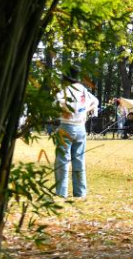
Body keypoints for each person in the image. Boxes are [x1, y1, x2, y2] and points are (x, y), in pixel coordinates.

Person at [54, 67, 99, 198]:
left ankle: (61, 193)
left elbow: (55, 103)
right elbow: (95, 101)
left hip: (66, 127)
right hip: (81, 127)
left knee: (62, 160)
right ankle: (80, 192)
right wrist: (84, 111)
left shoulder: (65, 89)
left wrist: (64, 111)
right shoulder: (83, 90)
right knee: (79, 160)